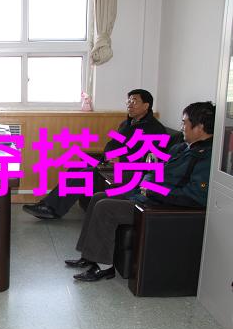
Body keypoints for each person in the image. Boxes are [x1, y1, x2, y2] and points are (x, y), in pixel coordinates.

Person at [65, 101, 215, 282]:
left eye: (184, 123)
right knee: (98, 197)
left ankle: (103, 266)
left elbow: (195, 197)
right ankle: (89, 256)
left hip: (158, 205)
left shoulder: (207, 158)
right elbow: (155, 169)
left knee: (105, 207)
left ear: (200, 126)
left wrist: (153, 191)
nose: (181, 127)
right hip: (145, 194)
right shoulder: (181, 148)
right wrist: (147, 184)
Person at [23, 89, 167, 219]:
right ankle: (48, 204)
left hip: (131, 169)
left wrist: (122, 159)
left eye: (134, 101)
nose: (129, 104)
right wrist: (109, 155)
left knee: (86, 173)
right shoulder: (126, 124)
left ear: (146, 106)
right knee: (76, 166)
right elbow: (113, 143)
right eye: (128, 101)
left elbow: (152, 160)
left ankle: (53, 209)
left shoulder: (156, 129)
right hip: (111, 162)